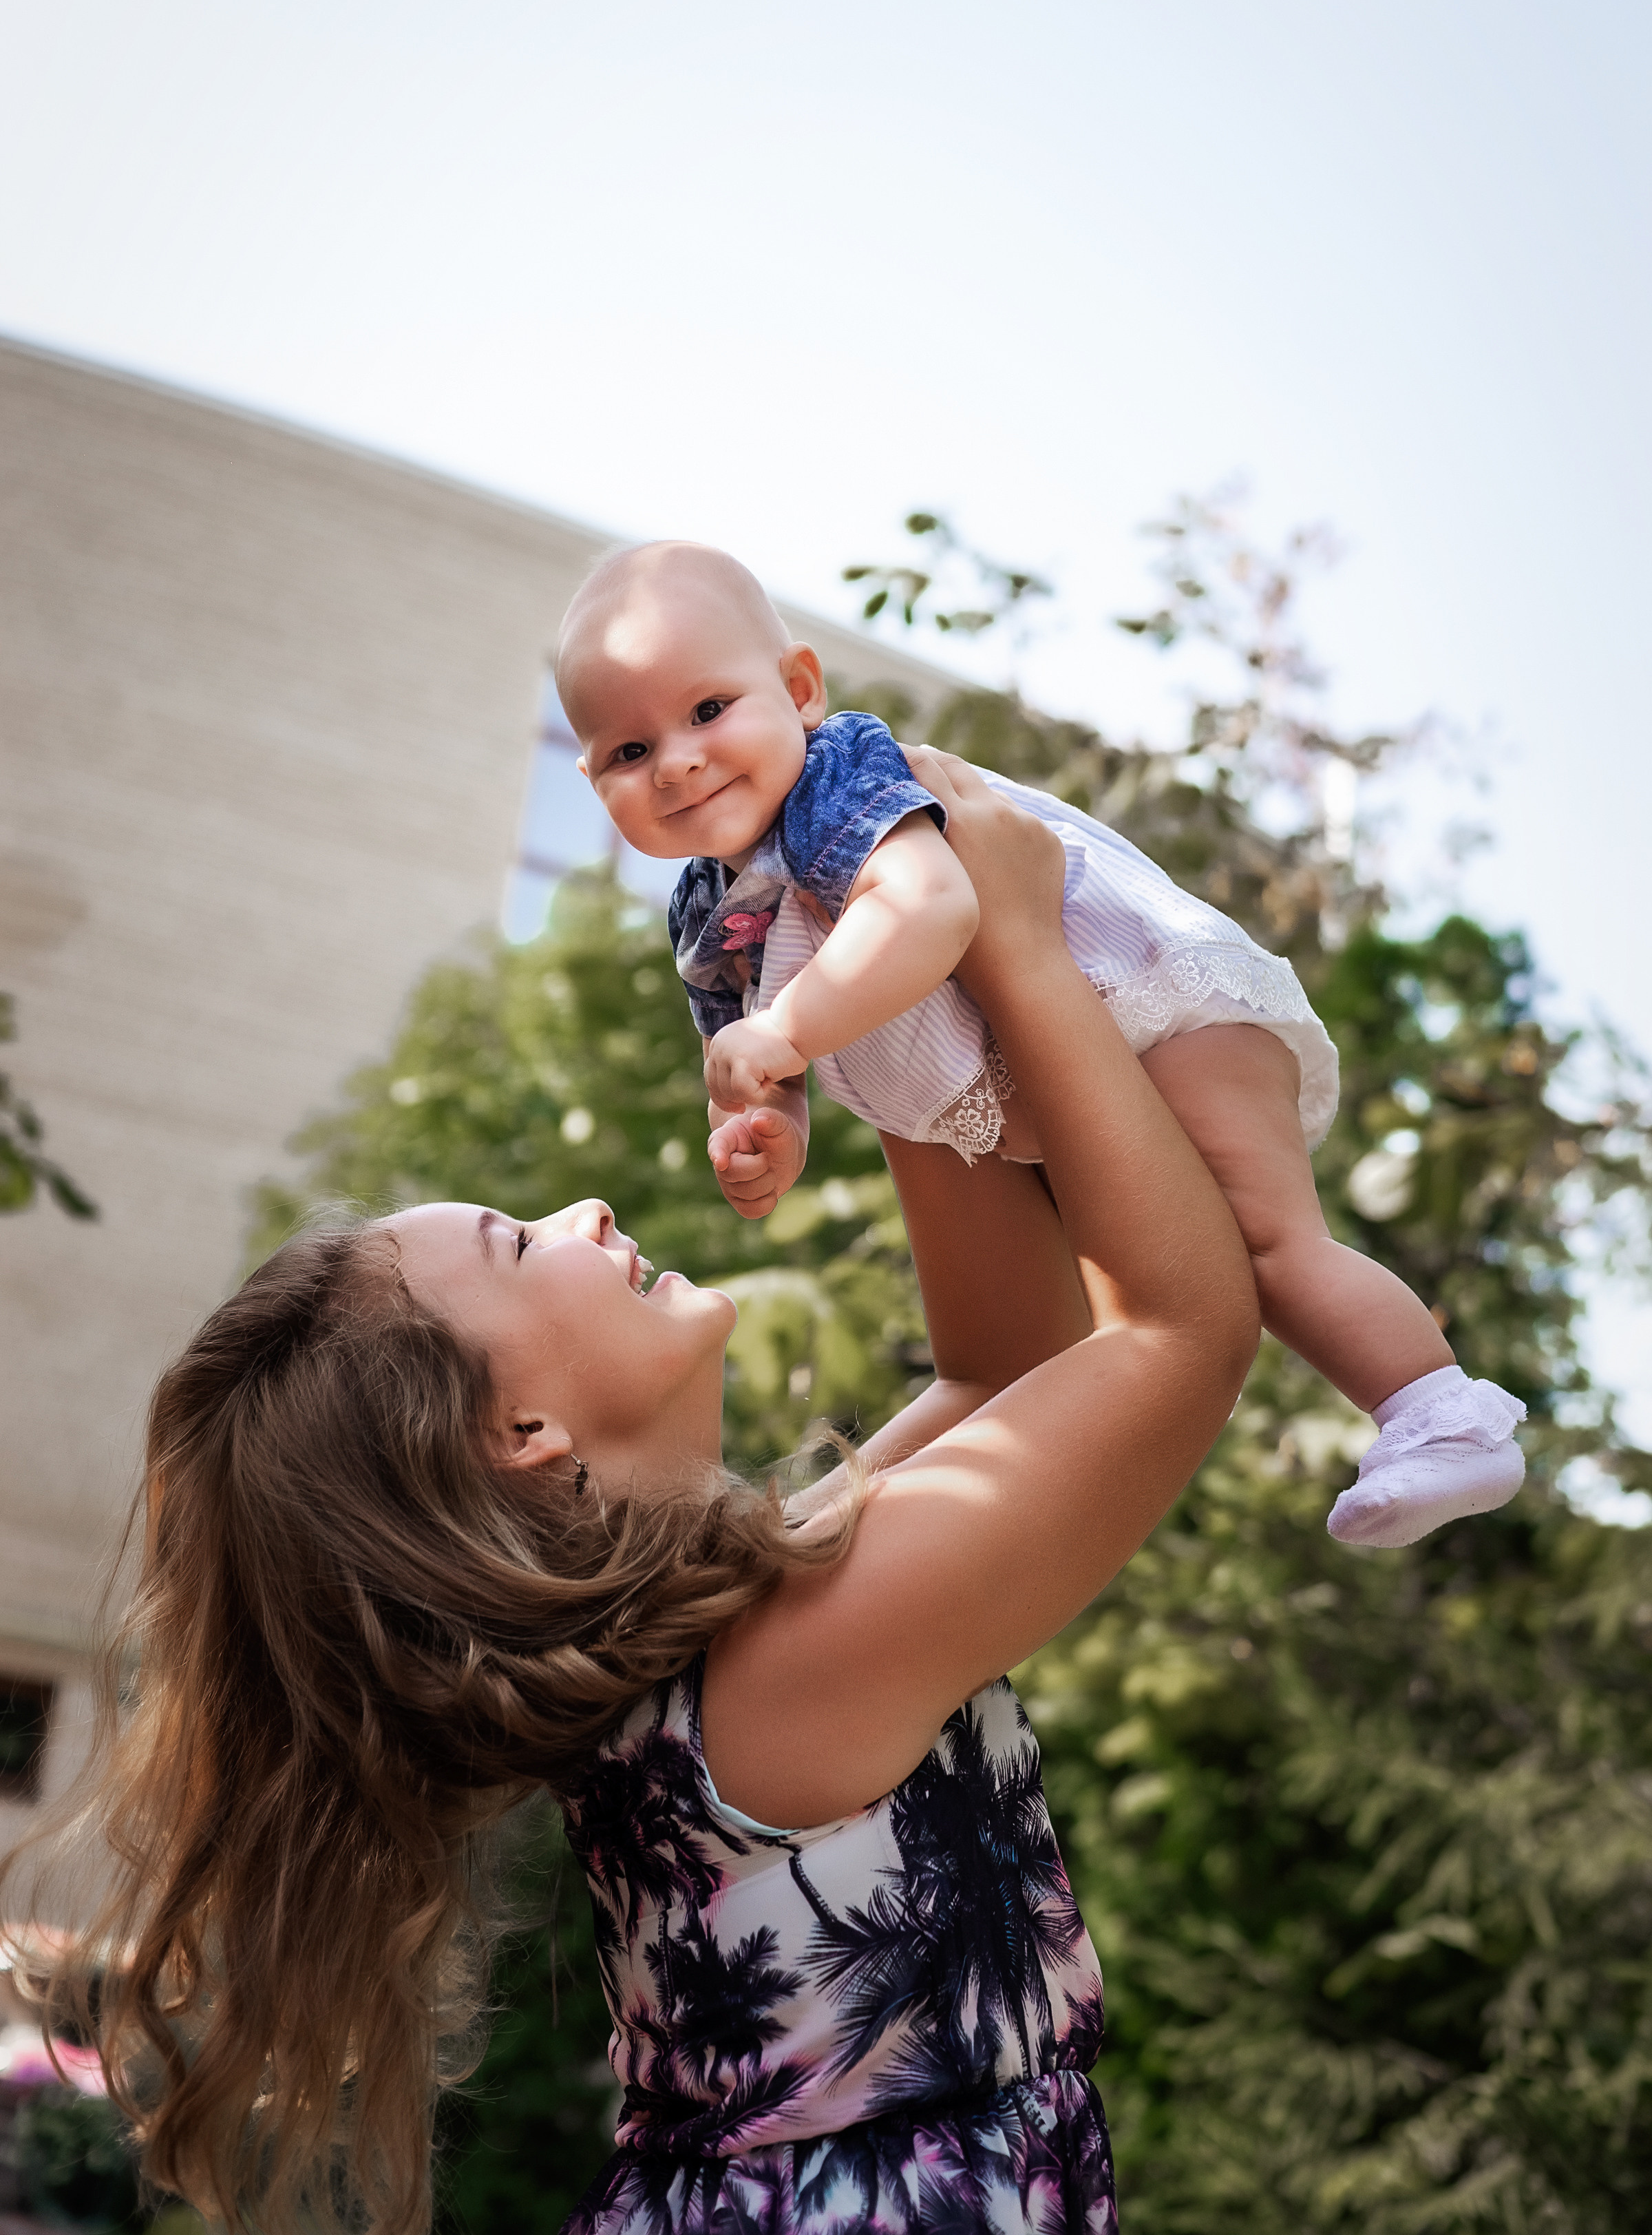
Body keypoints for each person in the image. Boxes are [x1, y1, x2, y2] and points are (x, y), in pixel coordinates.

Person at [8, 760, 1256, 2235]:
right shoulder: (797, 1661)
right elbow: (1177, 1336)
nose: (584, 1211)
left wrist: (868, 986)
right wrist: (1023, 951)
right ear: (523, 1429)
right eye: (524, 1246)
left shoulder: (744, 1640)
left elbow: (1008, 1370)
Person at [553, 542, 1528, 1551]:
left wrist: (785, 1031)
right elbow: (760, 1062)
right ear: (593, 780)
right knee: (1150, 1283)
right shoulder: (704, 911)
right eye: (629, 753)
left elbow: (928, 908)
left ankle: (1439, 1411)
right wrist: (770, 1125)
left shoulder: (835, 780)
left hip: (1155, 1005)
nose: (676, 759)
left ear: (800, 689)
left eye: (709, 710)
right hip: (1053, 1077)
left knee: (1262, 1242)